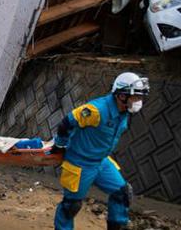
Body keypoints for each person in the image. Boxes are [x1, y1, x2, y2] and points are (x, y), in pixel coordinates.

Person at [52, 72, 149, 230]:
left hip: (101, 162)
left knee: (122, 193)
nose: (138, 101)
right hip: (80, 163)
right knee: (71, 206)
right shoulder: (96, 110)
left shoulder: (124, 111)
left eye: (140, 97)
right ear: (121, 95)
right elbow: (67, 123)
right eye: (135, 97)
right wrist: (60, 144)